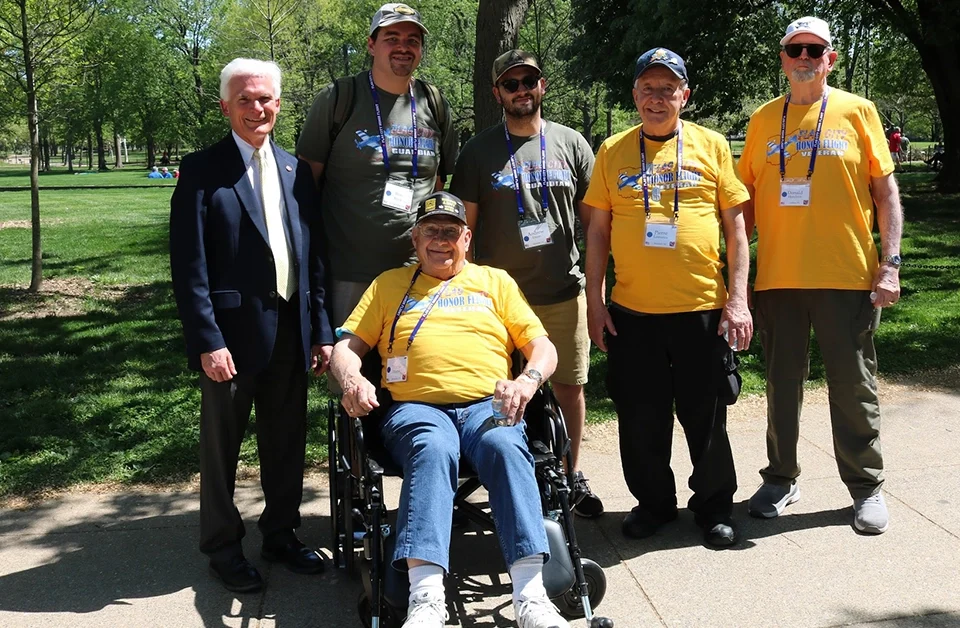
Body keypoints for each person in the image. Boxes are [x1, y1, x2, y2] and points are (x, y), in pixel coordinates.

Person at [330, 191, 570, 628]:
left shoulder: (494, 282)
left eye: (450, 232)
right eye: (430, 231)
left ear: (467, 238)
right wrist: (352, 377)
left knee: (504, 445)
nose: (440, 240)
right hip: (416, 409)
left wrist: (527, 381)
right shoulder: (388, 284)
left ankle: (531, 597)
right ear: (415, 239)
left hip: (487, 405)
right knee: (433, 447)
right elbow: (347, 346)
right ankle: (425, 598)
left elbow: (542, 348)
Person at [169, 58, 334, 593]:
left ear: (278, 105)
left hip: (291, 332)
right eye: (244, 99)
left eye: (265, 99)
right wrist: (206, 340)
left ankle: (281, 535)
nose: (256, 108)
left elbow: (313, 259)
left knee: (285, 441)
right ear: (225, 106)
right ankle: (221, 547)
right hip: (230, 339)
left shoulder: (295, 171)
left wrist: (322, 332)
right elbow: (189, 267)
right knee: (222, 449)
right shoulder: (201, 171)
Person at [738, 16, 903, 535]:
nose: (804, 57)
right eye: (794, 49)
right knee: (781, 387)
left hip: (847, 275)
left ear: (830, 57)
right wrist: (739, 281)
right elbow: (743, 206)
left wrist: (890, 264)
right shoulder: (763, 120)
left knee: (853, 386)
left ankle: (865, 487)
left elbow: (886, 194)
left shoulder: (859, 111)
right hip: (778, 279)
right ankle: (781, 479)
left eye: (815, 49)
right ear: (783, 59)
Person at [583, 48, 751, 548]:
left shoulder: (713, 145)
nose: (657, 98)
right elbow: (596, 231)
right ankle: (654, 504)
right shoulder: (612, 150)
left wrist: (737, 300)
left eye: (667, 88)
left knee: (707, 415)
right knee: (640, 417)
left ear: (685, 94)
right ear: (635, 95)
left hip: (701, 309)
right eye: (648, 89)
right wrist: (595, 300)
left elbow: (737, 230)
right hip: (633, 315)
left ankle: (714, 506)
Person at [450, 50, 602, 519]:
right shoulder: (477, 152)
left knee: (568, 388)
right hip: (498, 303)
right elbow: (464, 236)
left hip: (561, 293)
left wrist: (597, 293)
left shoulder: (572, 143)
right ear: (497, 92)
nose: (521, 90)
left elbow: (596, 224)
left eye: (529, 81)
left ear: (543, 86)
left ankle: (569, 473)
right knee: (501, 391)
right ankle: (509, 478)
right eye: (511, 83)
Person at [296, 3, 459, 334]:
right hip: (349, 272)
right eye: (392, 37)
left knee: (411, 371)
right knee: (351, 373)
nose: (403, 47)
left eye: (413, 40)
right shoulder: (340, 97)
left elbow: (439, 183)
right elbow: (304, 183)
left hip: (418, 270)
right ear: (371, 44)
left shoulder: (434, 102)